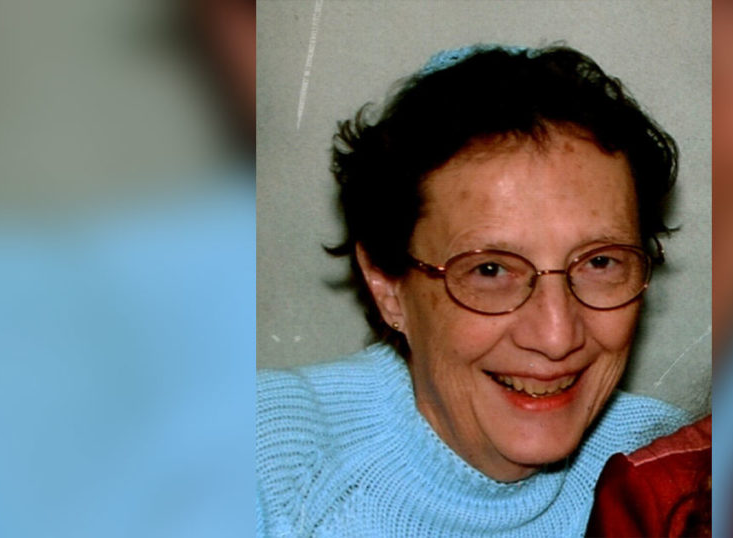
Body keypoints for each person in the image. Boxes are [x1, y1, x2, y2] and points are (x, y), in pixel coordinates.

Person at [256, 44, 689, 537]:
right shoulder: (261, 464)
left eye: (600, 262)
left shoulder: (679, 476)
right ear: (388, 285)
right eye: (489, 270)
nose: (556, 337)